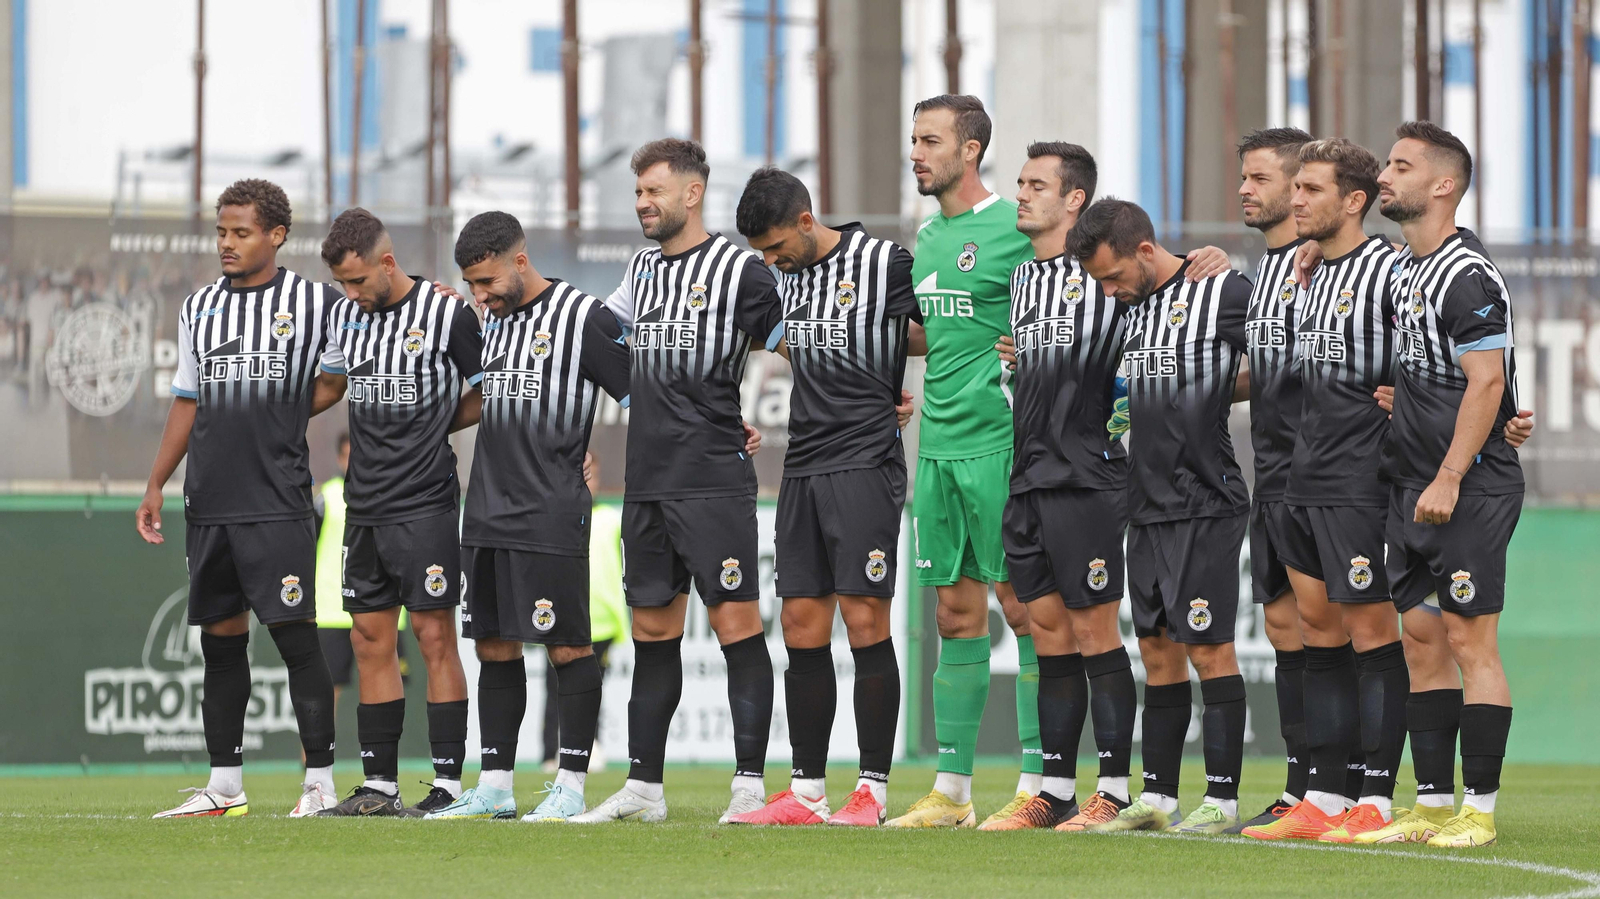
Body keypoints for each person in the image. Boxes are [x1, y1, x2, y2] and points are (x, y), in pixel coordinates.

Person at [983, 144, 1229, 832]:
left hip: (1090, 476)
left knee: (1095, 632)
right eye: (1021, 182)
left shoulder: (1110, 274)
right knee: (1046, 633)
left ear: (1075, 200)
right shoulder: (1023, 283)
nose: (1022, 194)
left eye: (1038, 185)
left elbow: (1173, 287)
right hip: (1027, 476)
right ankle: (1054, 789)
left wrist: (1214, 259)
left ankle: (1114, 789)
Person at [573, 139, 778, 825]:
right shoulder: (641, 268)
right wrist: (636, 397)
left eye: (652, 191)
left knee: (736, 627)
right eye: (637, 193)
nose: (642, 204)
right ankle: (644, 789)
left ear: (691, 193)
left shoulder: (741, 271)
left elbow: (797, 344)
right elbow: (598, 330)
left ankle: (749, 784)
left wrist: (877, 397)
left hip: (713, 479)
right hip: (648, 481)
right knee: (653, 633)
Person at [137, 179, 348, 818]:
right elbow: (187, 397)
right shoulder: (199, 306)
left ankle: (319, 784)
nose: (227, 244)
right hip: (209, 502)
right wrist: (156, 481)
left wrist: (274, 409)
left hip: (277, 500)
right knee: (221, 645)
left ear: (277, 235)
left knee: (295, 641)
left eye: (242, 232)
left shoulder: (317, 303)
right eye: (221, 233)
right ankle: (224, 786)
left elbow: (334, 380)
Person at [416, 212, 628, 823]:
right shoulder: (488, 319)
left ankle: (569, 785)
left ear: (519, 259)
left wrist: (720, 429)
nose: (479, 296)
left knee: (567, 647)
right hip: (484, 509)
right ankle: (498, 785)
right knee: (493, 647)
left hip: (550, 511)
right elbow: (486, 395)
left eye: (485, 282)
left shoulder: (582, 317)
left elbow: (642, 393)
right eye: (470, 286)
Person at [724, 167, 918, 827]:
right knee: (801, 624)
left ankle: (871, 790)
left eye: (777, 247)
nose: (770, 261)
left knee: (865, 622)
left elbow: (938, 333)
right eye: (761, 254)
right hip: (802, 466)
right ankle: (806, 790)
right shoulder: (775, 279)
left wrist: (909, 393)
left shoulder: (887, 263)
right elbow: (731, 334)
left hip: (865, 464)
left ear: (806, 222)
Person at [1347, 122, 1523, 849]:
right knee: (1420, 637)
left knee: (1468, 637)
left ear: (1443, 185)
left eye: (1401, 165)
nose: (1386, 175)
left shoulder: (1464, 273)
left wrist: (1453, 471)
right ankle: (1430, 801)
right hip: (1411, 485)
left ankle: (1478, 811)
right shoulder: (1410, 269)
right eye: (1388, 163)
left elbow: (1489, 379)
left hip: (1465, 487)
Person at [1241, 138, 1421, 841]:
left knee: (1373, 632)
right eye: (1297, 188)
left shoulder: (1390, 269)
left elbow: (1447, 346)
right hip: (1300, 478)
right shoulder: (1302, 271)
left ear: (1353, 200)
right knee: (1319, 632)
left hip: (1360, 481)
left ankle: (1375, 797)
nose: (1296, 200)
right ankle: (1324, 794)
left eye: (1310, 189)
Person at [1069, 198, 1253, 835]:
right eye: (1098, 282)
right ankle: (1160, 798)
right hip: (1142, 505)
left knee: (1209, 647)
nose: (1107, 290)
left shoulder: (1223, 289)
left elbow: (1280, 358)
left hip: (1205, 500)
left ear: (1145, 251)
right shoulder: (1128, 314)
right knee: (1156, 650)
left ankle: (1224, 801)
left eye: (1113, 276)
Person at [312, 209, 479, 817]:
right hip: (367, 504)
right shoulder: (343, 318)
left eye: (357, 281)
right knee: (367, 639)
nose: (350, 294)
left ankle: (448, 787)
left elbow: (490, 385)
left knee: (433, 636)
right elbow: (329, 386)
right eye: (341, 285)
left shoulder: (447, 312)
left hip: (426, 501)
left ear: (387, 263)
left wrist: (439, 423)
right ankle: (379, 786)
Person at [1230, 127, 1314, 832]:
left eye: (1258, 178)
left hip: (1330, 480)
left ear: (1298, 187)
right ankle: (1300, 784)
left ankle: (1352, 790)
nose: (1244, 190)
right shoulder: (1258, 277)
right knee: (1285, 627)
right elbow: (1262, 371)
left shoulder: (1333, 268)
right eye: (1244, 178)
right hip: (1273, 476)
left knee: (1337, 632)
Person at [542, 452, 627, 775]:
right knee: (554, 690)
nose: (587, 481)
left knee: (592, 688)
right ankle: (550, 753)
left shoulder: (609, 518)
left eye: (592, 476)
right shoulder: (556, 515)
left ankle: (591, 746)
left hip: (600, 622)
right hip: (560, 617)